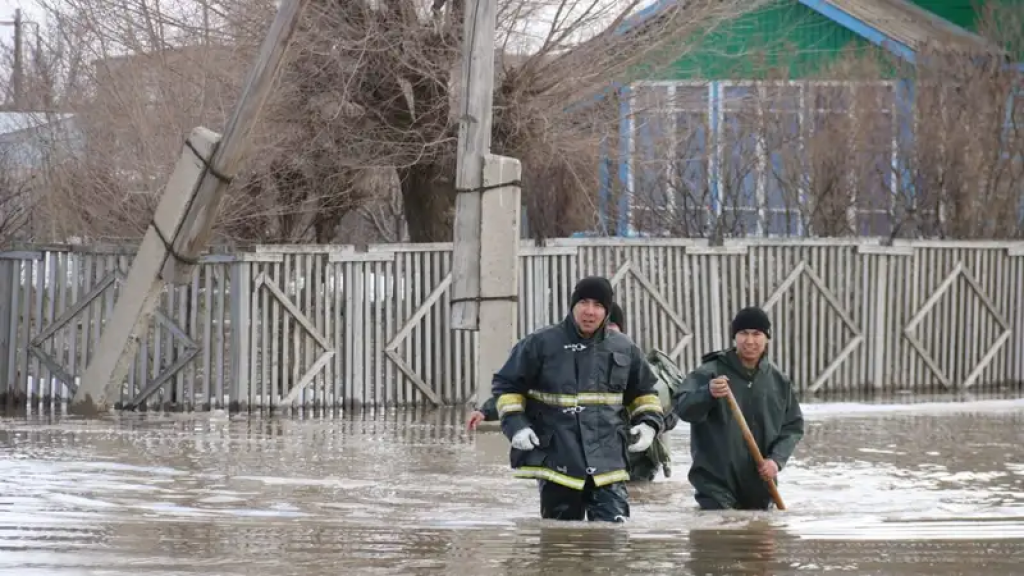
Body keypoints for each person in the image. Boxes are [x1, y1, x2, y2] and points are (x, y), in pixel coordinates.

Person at [491, 276, 665, 522]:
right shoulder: (539, 343)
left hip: (608, 460)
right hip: (558, 460)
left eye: (598, 305)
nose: (590, 312)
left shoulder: (625, 348)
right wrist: (516, 426)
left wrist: (649, 424)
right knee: (560, 542)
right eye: (584, 302)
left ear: (606, 311)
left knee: (613, 539)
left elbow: (645, 393)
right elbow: (507, 385)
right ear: (573, 305)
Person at [673, 306, 805, 511]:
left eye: (756, 334)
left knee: (757, 535)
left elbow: (793, 427)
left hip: (761, 488)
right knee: (722, 534)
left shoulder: (779, 382)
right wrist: (707, 393)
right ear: (735, 337)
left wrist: (775, 461)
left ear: (767, 338)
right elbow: (682, 409)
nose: (749, 341)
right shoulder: (710, 372)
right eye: (743, 333)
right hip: (715, 487)